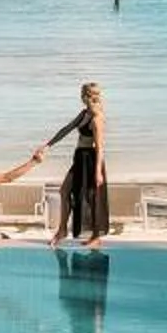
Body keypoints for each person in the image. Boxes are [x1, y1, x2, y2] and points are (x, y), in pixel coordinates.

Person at [45, 81, 111, 249]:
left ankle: (96, 236)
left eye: (83, 95)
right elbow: (66, 129)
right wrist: (48, 145)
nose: (82, 98)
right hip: (79, 157)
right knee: (64, 191)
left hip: (91, 158)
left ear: (87, 97)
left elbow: (100, 147)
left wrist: (98, 172)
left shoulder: (97, 119)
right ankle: (62, 231)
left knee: (92, 198)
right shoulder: (84, 114)